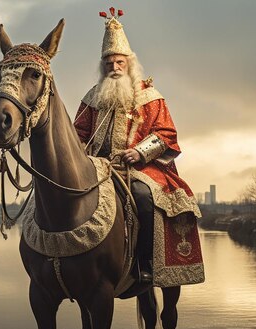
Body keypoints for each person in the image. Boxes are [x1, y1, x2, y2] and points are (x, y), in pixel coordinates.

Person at [73, 9, 204, 286]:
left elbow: (166, 133)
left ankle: (145, 265)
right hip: (99, 166)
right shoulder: (92, 98)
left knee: (143, 197)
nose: (114, 68)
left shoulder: (150, 97)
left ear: (129, 63)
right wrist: (82, 154)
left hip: (141, 168)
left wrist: (139, 152)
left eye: (119, 62)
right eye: (109, 64)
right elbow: (78, 133)